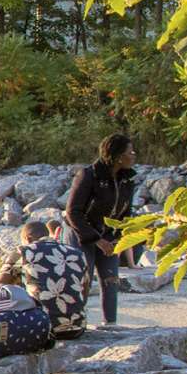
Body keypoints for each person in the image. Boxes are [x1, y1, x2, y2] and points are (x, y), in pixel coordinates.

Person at [64, 133, 138, 326]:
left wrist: (118, 239)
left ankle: (110, 326)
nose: (134, 155)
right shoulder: (88, 175)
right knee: (83, 280)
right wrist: (97, 239)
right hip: (82, 234)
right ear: (117, 156)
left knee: (111, 280)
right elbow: (73, 212)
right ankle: (75, 325)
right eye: (130, 152)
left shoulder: (128, 179)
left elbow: (126, 214)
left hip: (109, 236)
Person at [0, 220, 91, 338]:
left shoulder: (23, 252)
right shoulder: (77, 253)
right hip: (76, 328)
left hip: (40, 327)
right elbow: (85, 290)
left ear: (27, 238)